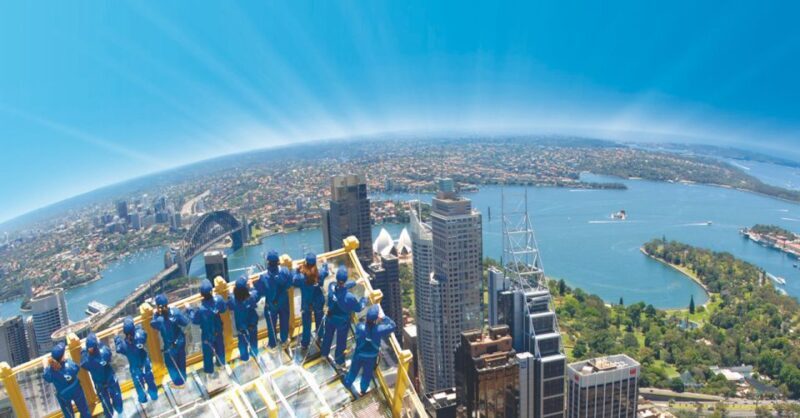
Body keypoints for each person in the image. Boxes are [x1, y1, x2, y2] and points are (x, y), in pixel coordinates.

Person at [344, 305, 397, 395]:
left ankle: (347, 384)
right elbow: (392, 325)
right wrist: (384, 318)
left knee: (353, 371)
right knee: (367, 374)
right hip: (371, 357)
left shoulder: (359, 327)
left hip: (359, 355)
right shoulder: (379, 330)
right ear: (376, 319)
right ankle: (363, 391)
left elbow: (360, 334)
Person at [320, 266, 366, 365]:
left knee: (327, 336)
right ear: (345, 279)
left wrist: (356, 282)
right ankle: (339, 362)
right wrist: (364, 298)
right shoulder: (349, 297)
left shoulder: (331, 286)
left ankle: (324, 354)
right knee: (341, 342)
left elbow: (341, 287)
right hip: (342, 322)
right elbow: (358, 308)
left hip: (330, 318)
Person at [187, 279, 228, 373]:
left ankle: (210, 373)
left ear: (201, 294)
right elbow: (223, 309)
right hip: (218, 332)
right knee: (220, 350)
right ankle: (221, 367)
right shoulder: (219, 299)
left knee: (208, 356)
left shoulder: (201, 309)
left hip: (207, 336)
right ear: (212, 291)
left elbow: (194, 320)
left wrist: (189, 309)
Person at [115, 317, 158, 403]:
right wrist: (137, 328)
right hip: (145, 363)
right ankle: (154, 396)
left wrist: (117, 337)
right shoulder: (140, 336)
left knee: (139, 386)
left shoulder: (123, 345)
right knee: (150, 380)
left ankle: (143, 400)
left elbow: (118, 348)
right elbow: (144, 334)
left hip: (135, 367)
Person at [42, 342, 91, 418]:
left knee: (68, 414)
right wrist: (68, 359)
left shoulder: (50, 371)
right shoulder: (69, 364)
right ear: (62, 357)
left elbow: (47, 377)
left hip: (63, 394)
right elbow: (76, 369)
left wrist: (45, 365)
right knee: (84, 410)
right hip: (76, 390)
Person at [150, 293, 189, 386]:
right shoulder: (175, 312)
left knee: (171, 365)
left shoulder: (158, 320)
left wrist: (155, 314)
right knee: (181, 362)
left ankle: (178, 383)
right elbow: (185, 322)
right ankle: (184, 379)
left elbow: (152, 324)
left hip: (170, 347)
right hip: (180, 342)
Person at [81, 333, 123, 417]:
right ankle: (120, 410)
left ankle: (109, 415)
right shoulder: (104, 352)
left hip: (99, 382)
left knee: (105, 401)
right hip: (110, 377)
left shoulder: (87, 360)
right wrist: (99, 343)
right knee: (116, 394)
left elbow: (83, 364)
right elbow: (109, 354)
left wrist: (83, 351)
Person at [255, 250, 291, 348]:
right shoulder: (285, 270)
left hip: (271, 304)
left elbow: (260, 291)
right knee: (284, 320)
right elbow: (289, 283)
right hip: (283, 301)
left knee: (271, 324)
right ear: (278, 260)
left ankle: (273, 343)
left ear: (268, 262)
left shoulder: (264, 277)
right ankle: (284, 339)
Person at [292, 252, 328, 349]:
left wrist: (296, 270)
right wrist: (325, 262)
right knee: (319, 321)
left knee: (306, 324)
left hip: (307, 303)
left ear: (305, 263)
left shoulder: (301, 277)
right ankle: (320, 337)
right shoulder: (319, 273)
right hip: (318, 301)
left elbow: (294, 280)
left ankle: (305, 343)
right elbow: (326, 271)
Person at [228, 276, 260, 361]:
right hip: (252, 323)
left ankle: (244, 357)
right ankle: (254, 353)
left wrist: (231, 292)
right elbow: (256, 293)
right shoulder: (251, 297)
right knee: (253, 339)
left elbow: (230, 305)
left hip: (241, 325)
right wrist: (251, 285)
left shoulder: (233, 301)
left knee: (242, 342)